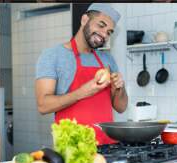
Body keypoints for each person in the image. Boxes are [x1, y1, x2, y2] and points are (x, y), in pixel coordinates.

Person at [35, 3, 128, 145]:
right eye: (101, 25)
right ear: (84, 20)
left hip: (107, 145)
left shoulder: (107, 60)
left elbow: (121, 107)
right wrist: (82, 92)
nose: (104, 34)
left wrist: (119, 88)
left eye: (109, 32)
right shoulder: (53, 55)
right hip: (73, 148)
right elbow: (43, 105)